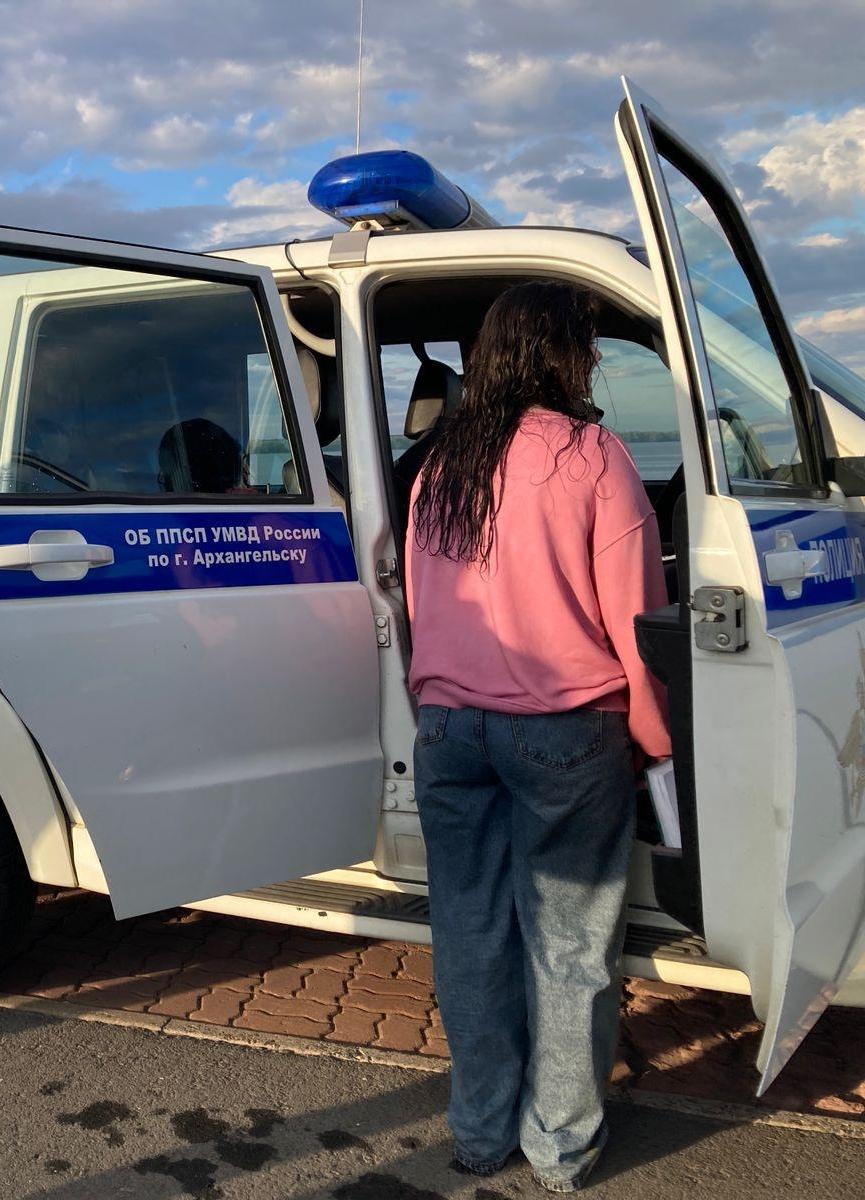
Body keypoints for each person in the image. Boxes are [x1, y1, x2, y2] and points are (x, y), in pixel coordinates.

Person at [406, 281, 670, 1193]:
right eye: (587, 346)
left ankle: (480, 1131)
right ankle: (559, 1147)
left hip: (449, 728)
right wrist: (654, 736)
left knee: (470, 933)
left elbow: (417, 601)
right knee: (568, 946)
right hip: (564, 729)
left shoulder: (441, 463)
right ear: (563, 355)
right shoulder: (593, 454)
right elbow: (637, 619)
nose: (593, 360)